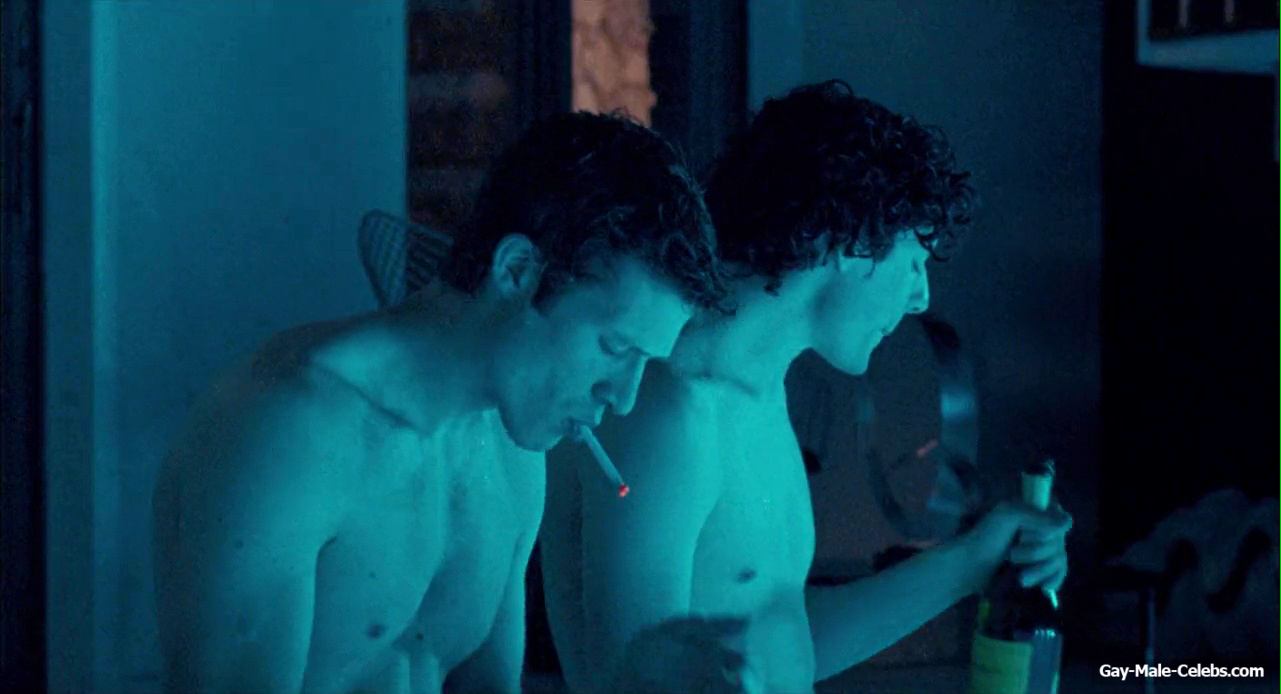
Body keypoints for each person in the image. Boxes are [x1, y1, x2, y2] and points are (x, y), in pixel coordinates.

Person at [151, 111, 734, 694]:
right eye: (615, 347)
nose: (624, 397)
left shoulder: (512, 452)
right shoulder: (289, 430)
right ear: (516, 270)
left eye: (644, 362)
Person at [539, 81, 1074, 694]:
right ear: (853, 241)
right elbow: (632, 681)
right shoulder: (668, 408)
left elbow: (783, 637)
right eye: (915, 261)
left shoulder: (759, 395)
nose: (920, 295)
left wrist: (973, 561)